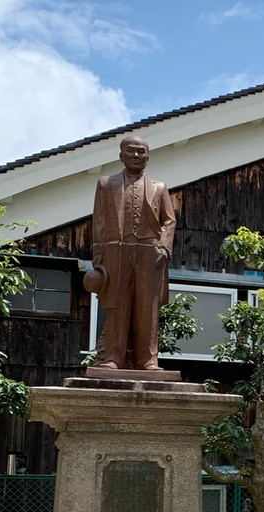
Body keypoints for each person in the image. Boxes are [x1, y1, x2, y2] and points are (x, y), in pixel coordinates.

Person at [85, 135, 176, 370]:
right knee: (117, 304)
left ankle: (148, 359)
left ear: (147, 157)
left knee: (148, 307)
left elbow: (169, 220)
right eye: (131, 151)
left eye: (141, 152)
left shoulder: (159, 187)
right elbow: (99, 222)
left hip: (149, 253)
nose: (136, 155)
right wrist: (98, 255)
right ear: (121, 155)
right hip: (117, 251)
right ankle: (113, 357)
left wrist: (164, 247)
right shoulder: (106, 184)